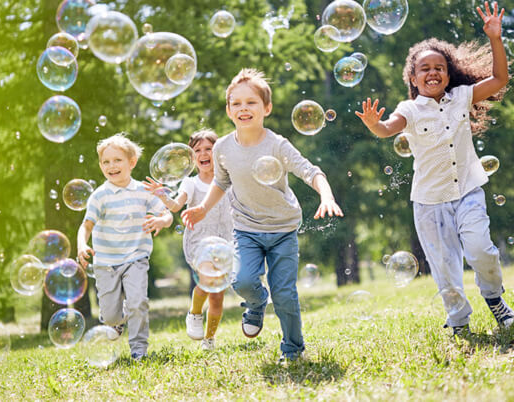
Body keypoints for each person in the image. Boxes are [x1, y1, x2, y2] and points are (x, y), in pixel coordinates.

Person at [355, 2, 511, 336]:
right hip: (429, 202)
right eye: (424, 68)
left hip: (468, 190)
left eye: (439, 67)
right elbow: (386, 129)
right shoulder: (409, 109)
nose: (432, 72)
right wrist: (373, 123)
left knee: (481, 249)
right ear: (413, 77)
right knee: (444, 269)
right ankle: (458, 320)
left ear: (449, 73)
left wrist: (495, 38)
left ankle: (495, 299)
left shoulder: (462, 96)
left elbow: (499, 79)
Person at [182, 69, 344, 363]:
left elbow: (310, 171)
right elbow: (221, 182)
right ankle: (256, 304)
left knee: (285, 294)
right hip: (246, 229)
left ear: (266, 108)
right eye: (237, 103)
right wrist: (202, 208)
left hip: (282, 229)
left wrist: (327, 195)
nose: (244, 108)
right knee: (242, 281)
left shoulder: (277, 144)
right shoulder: (222, 148)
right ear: (229, 110)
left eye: (251, 102)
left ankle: (293, 350)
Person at [77, 133, 172, 360]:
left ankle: (139, 349)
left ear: (131, 162)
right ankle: (117, 324)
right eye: (106, 162)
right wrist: (82, 244)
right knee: (110, 315)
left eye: (117, 160)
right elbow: (86, 225)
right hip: (106, 263)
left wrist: (162, 220)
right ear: (100, 165)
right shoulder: (100, 196)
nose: (111, 166)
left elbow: (166, 214)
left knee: (138, 302)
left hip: (136, 258)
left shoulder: (143, 191)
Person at [143, 129, 233, 351]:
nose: (203, 154)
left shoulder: (229, 179)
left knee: (218, 297)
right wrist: (162, 195)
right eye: (198, 150)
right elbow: (175, 206)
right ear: (192, 158)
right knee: (206, 281)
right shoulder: (190, 184)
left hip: (226, 241)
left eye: (208, 149)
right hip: (199, 240)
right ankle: (194, 313)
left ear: (218, 152)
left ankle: (209, 339)